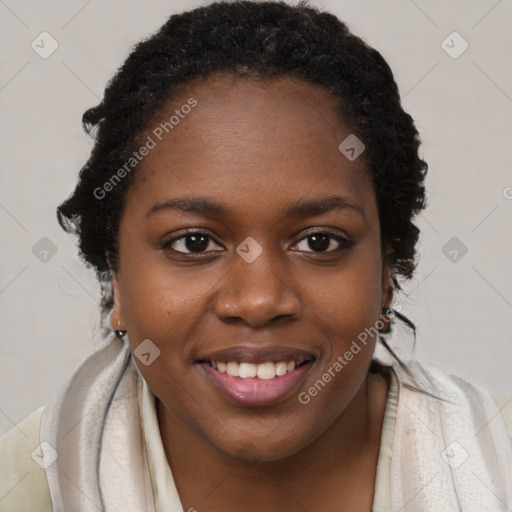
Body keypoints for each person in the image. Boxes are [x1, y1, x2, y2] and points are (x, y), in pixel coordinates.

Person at [1, 1, 511, 510]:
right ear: (115, 273)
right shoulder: (27, 484)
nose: (259, 300)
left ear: (385, 272)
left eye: (319, 241)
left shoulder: (495, 462)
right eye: (194, 242)